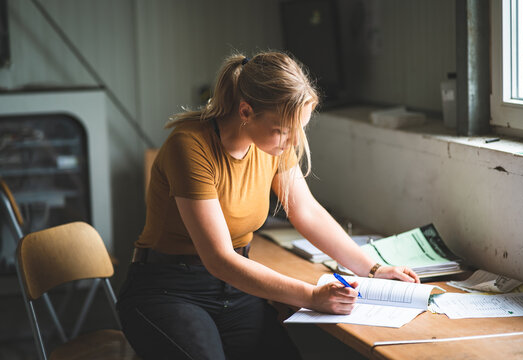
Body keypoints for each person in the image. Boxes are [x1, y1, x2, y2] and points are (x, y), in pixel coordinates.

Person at [116, 51, 420, 360]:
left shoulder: (272, 144)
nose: (290, 142)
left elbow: (306, 211)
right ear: (246, 111)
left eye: (296, 130)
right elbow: (219, 259)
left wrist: (373, 269)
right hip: (169, 290)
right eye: (283, 130)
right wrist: (312, 296)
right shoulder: (190, 146)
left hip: (234, 288)